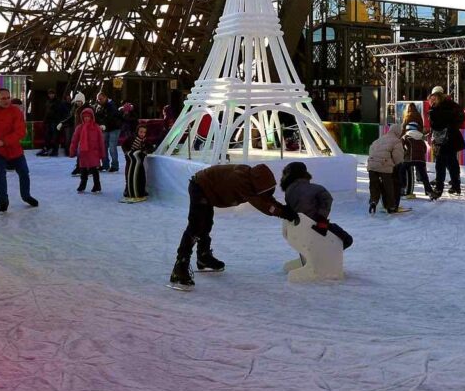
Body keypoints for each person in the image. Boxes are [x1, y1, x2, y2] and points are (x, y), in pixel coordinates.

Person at [169, 164, 298, 291]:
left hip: (209, 189)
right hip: (200, 186)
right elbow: (262, 204)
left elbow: (266, 199)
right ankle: (180, 266)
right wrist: (283, 213)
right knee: (196, 225)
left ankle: (204, 256)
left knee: (206, 223)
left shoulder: (253, 178)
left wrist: (283, 209)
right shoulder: (242, 181)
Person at [0, 88, 39, 212]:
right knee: (0, 174)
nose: (6, 100)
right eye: (3, 98)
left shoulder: (16, 112)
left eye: (8, 98)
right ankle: (3, 201)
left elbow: (20, 132)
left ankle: (26, 196)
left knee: (23, 172)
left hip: (14, 149)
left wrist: (3, 141)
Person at [280, 161, 353, 249]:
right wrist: (322, 217)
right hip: (316, 225)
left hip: (298, 227)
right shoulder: (316, 188)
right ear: (305, 174)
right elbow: (327, 199)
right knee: (347, 239)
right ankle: (330, 253)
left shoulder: (288, 191)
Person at [427, 86, 465, 199]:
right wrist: (453, 127)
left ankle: (438, 189)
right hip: (453, 138)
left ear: (435, 96)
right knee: (452, 162)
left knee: (440, 164)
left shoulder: (436, 108)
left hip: (443, 140)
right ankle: (456, 186)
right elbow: (462, 117)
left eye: (433, 96)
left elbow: (436, 125)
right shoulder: (453, 105)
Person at [367, 125, 406, 214]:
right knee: (389, 186)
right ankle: (391, 206)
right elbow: (398, 157)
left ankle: (373, 201)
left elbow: (371, 149)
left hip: (372, 165)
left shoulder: (379, 139)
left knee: (374, 185)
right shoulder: (397, 141)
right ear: (398, 132)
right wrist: (393, 164)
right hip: (384, 165)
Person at [69, 107, 106, 193]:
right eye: (85, 117)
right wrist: (72, 150)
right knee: (83, 170)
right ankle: (82, 185)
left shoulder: (96, 128)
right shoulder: (80, 128)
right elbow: (74, 140)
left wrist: (102, 153)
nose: (86, 118)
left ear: (91, 117)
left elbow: (101, 141)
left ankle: (97, 185)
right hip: (83, 152)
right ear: (82, 117)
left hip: (94, 152)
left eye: (88, 117)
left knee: (94, 170)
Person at [400, 122, 433, 199]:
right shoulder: (421, 137)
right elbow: (424, 148)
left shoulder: (406, 136)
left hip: (409, 158)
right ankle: (429, 191)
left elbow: (401, 147)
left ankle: (403, 188)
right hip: (421, 159)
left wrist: (405, 155)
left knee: (402, 171)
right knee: (424, 175)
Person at [122, 124, 154, 202]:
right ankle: (128, 189)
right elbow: (124, 145)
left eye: (144, 132)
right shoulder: (131, 139)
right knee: (129, 176)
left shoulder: (146, 141)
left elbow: (151, 148)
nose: (142, 134)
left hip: (139, 163)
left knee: (141, 177)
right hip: (130, 162)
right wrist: (127, 152)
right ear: (137, 131)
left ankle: (141, 191)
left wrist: (145, 151)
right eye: (141, 132)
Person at [94, 92, 122, 172]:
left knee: (112, 147)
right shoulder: (99, 106)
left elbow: (111, 117)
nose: (99, 101)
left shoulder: (112, 105)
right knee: (103, 146)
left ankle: (114, 166)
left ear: (105, 97)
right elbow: (98, 116)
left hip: (114, 128)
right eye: (98, 99)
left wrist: (103, 124)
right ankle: (105, 165)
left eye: (101, 99)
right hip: (106, 128)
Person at [39, 89, 68, 157]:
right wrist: (44, 121)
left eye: (52, 94)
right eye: (50, 94)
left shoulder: (59, 102)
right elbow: (46, 113)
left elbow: (65, 112)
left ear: (54, 94)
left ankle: (55, 151)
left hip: (55, 122)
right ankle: (47, 149)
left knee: (55, 137)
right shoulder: (47, 102)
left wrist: (61, 121)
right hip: (49, 122)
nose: (51, 95)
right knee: (47, 137)